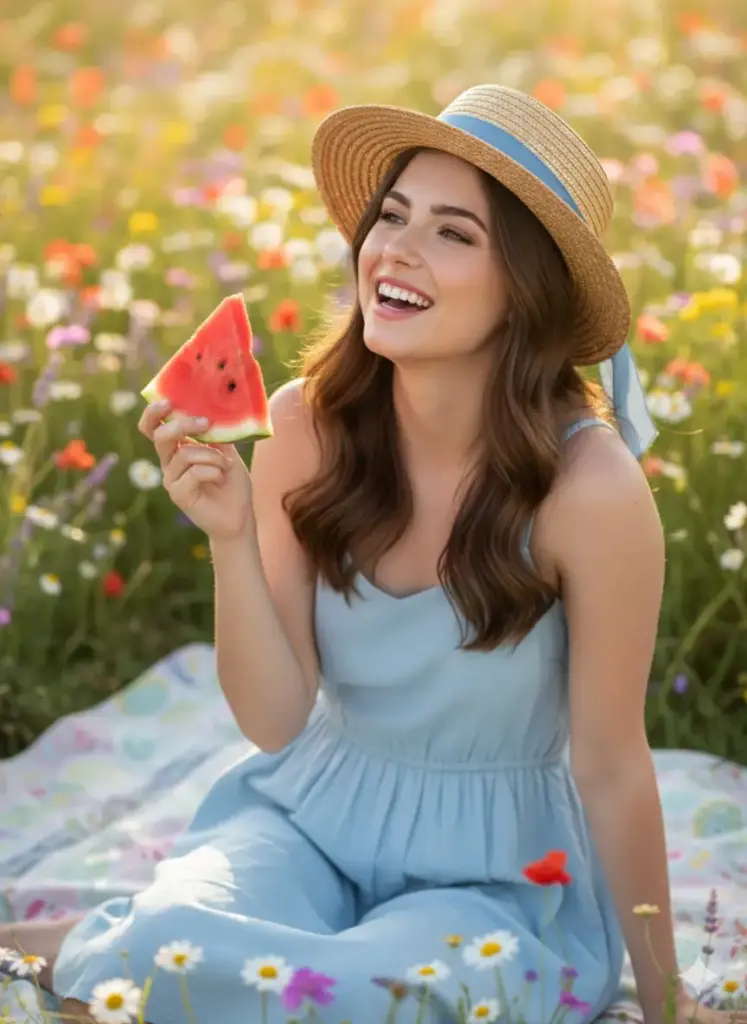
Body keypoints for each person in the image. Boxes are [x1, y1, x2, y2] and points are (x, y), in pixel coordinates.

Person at [3, 84, 744, 1024]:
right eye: (391, 215)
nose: (394, 247)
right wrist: (231, 537)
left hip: (496, 871)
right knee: (163, 949)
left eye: (452, 232)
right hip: (307, 817)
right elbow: (274, 722)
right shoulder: (301, 428)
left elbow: (609, 761)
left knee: (369, 996)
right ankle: (101, 946)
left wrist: (669, 996)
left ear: (524, 293)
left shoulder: (590, 492)